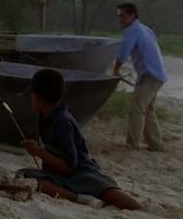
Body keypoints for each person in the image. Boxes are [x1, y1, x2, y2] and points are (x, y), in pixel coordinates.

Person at [19, 68, 142, 210]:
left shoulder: (63, 121)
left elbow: (70, 167)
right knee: (25, 175)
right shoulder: (44, 116)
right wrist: (39, 149)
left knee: (107, 191)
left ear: (38, 97)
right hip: (57, 173)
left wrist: (39, 152)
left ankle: (140, 210)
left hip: (80, 172)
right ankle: (79, 198)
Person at [112, 2, 168, 151]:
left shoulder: (131, 30)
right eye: (118, 16)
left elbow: (123, 54)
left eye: (122, 16)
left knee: (137, 107)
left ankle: (132, 144)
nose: (120, 19)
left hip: (150, 76)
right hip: (157, 75)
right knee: (147, 109)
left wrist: (115, 70)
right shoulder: (145, 29)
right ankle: (156, 145)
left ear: (133, 15)